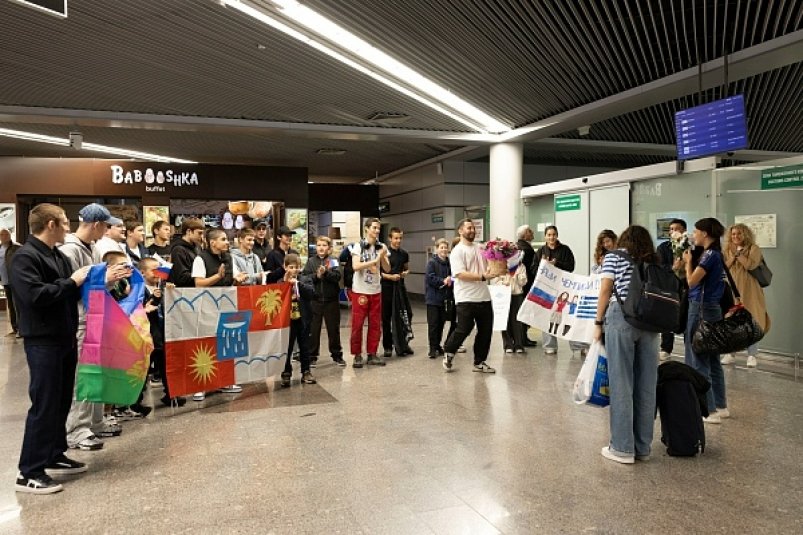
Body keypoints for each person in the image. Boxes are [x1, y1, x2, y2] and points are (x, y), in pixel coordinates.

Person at [11, 203, 91, 494]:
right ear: (50, 224)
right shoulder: (25, 257)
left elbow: (69, 289)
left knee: (60, 401)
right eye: (64, 223)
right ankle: (29, 470)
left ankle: (54, 453)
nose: (69, 228)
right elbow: (35, 296)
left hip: (64, 336)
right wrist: (71, 282)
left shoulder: (56, 254)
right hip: (42, 340)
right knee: (44, 404)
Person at [61, 204, 129, 451]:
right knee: (83, 375)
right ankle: (76, 430)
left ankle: (94, 421)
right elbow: (71, 286)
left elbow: (95, 287)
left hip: (95, 317)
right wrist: (104, 279)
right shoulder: (70, 250)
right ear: (97, 224)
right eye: (106, 225)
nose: (108, 230)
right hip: (81, 320)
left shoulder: (91, 249)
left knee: (96, 373)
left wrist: (112, 280)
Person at [593, 225, 659, 464]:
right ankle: (642, 447)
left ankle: (622, 448)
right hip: (651, 324)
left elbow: (605, 291)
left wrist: (598, 322)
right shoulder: (654, 260)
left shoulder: (613, 257)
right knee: (646, 384)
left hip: (621, 319)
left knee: (621, 382)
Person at [190, 229, 247, 401]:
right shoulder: (201, 258)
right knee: (206, 344)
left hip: (227, 305)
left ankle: (226, 380)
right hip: (207, 308)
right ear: (212, 242)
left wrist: (239, 279)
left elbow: (233, 278)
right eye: (223, 239)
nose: (227, 242)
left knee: (227, 341)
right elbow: (198, 284)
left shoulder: (229, 258)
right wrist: (217, 276)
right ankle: (201, 385)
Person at [683, 217, 729, 424]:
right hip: (713, 309)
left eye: (696, 231)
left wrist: (687, 263)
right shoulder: (717, 254)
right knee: (713, 359)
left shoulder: (709, 255)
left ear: (705, 233)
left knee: (698, 356)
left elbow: (692, 282)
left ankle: (708, 410)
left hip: (700, 309)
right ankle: (721, 404)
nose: (694, 234)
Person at [442, 219, 495, 373]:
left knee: (485, 330)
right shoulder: (457, 251)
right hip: (465, 298)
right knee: (464, 328)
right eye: (468, 228)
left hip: (484, 296)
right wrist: (482, 277)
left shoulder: (480, 247)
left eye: (473, 227)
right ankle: (449, 351)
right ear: (460, 231)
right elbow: (460, 274)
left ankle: (479, 362)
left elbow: (490, 265)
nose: (472, 230)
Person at [139, 257, 186, 407]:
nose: (157, 273)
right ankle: (136, 401)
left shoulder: (164, 287)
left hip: (164, 332)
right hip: (148, 334)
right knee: (144, 369)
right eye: (153, 270)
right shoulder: (139, 289)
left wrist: (171, 292)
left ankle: (171, 393)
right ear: (142, 272)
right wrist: (153, 299)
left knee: (167, 365)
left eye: (158, 269)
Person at [722, 223, 771, 368]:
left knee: (752, 320)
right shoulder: (727, 249)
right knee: (731, 320)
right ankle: (730, 353)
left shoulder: (753, 248)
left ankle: (752, 355)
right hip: (732, 288)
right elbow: (725, 267)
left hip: (750, 289)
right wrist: (733, 255)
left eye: (739, 234)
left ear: (745, 235)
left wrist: (739, 254)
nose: (735, 236)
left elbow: (750, 265)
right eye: (733, 234)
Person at [350, 218, 390, 368]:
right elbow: (355, 266)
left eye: (378, 228)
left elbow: (387, 268)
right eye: (374, 228)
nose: (377, 231)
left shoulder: (382, 246)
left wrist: (382, 256)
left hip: (376, 290)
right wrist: (374, 262)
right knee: (357, 324)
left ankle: (372, 353)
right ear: (366, 229)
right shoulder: (358, 246)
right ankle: (357, 355)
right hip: (360, 291)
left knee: (375, 324)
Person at [302, 236, 344, 366]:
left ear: (329, 248)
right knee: (313, 330)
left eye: (324, 245)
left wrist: (326, 273)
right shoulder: (310, 261)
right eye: (319, 245)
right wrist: (317, 276)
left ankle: (337, 355)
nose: (321, 248)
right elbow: (305, 278)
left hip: (331, 301)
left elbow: (337, 276)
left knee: (333, 329)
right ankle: (312, 356)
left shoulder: (333, 261)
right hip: (315, 300)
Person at [533, 225, 575, 354]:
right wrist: (543, 265)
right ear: (545, 236)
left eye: (554, 234)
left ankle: (578, 346)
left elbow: (571, 266)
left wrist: (556, 264)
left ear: (557, 235)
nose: (551, 237)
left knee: (569, 316)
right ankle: (549, 345)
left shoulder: (565, 250)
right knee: (547, 316)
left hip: (563, 288)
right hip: (547, 289)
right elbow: (533, 268)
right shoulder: (541, 251)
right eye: (549, 235)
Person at [280, 254, 317, 387]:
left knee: (304, 346)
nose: (294, 270)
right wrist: (285, 285)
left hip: (303, 318)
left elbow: (311, 293)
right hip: (287, 320)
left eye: (297, 267)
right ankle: (286, 372)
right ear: (285, 267)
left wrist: (297, 284)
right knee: (287, 347)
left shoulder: (305, 279)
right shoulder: (280, 282)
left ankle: (306, 371)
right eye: (291, 267)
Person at [656, 219, 687, 362]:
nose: (673, 232)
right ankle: (666, 348)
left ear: (684, 231)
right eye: (671, 229)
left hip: (686, 286)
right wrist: (673, 268)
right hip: (668, 286)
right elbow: (659, 267)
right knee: (667, 316)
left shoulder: (690, 246)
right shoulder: (663, 248)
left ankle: (691, 348)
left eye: (676, 229)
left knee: (686, 316)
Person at [381, 227, 414, 358]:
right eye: (395, 238)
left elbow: (406, 268)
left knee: (406, 315)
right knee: (386, 317)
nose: (398, 240)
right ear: (390, 238)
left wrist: (405, 273)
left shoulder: (404, 254)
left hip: (400, 287)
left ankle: (404, 343)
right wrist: (390, 277)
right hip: (387, 288)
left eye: (400, 238)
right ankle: (388, 346)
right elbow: (379, 273)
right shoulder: (384, 253)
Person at [491, 250, 528, 354]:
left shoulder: (521, 266)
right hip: (503, 296)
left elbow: (523, 282)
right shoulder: (501, 266)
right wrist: (503, 282)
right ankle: (508, 345)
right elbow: (496, 281)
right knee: (504, 320)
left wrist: (515, 276)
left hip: (517, 295)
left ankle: (519, 345)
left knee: (517, 321)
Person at [425, 238, 456, 358]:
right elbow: (430, 278)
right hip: (433, 299)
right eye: (441, 247)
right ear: (437, 249)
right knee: (433, 324)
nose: (444, 250)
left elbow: (454, 276)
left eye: (445, 247)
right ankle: (432, 348)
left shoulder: (450, 262)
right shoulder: (431, 262)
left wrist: (450, 279)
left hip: (445, 299)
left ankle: (438, 345)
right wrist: (443, 280)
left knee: (441, 324)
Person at [515, 225, 537, 347]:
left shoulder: (521, 246)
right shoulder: (526, 249)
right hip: (526, 283)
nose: (532, 232)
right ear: (524, 235)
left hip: (522, 284)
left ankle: (522, 337)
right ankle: (523, 337)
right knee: (524, 310)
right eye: (529, 231)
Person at [168, 217, 204, 288]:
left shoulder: (197, 248)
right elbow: (181, 277)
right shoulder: (178, 250)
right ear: (189, 231)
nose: (201, 237)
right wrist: (201, 276)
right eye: (199, 233)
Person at [0, 228, 21, 336]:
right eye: (2, 234)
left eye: (6, 234)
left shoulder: (17, 247)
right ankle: (15, 328)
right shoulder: (0, 248)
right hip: (5, 281)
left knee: (18, 305)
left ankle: (21, 330)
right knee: (11, 306)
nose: (4, 236)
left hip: (15, 281)